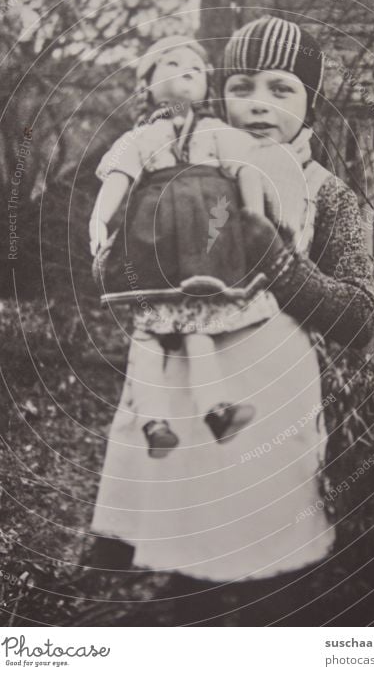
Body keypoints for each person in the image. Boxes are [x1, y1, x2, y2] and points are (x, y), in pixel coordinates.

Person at [88, 15, 374, 590]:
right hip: (181, 386)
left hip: (270, 402)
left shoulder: (326, 192)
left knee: (261, 566)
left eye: (281, 88)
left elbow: (360, 318)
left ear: (311, 100)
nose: (258, 105)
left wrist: (280, 265)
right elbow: (131, 254)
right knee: (184, 554)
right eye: (241, 87)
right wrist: (121, 257)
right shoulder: (185, 169)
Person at [89, 35, 292, 458]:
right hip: (155, 240)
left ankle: (215, 409)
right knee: (150, 324)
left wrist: (253, 215)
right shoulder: (142, 137)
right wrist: (100, 217)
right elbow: (120, 176)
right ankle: (153, 420)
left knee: (197, 316)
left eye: (196, 68)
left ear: (206, 85)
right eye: (172, 64)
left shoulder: (217, 131)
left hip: (208, 240)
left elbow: (246, 170)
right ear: (146, 83)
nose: (186, 72)